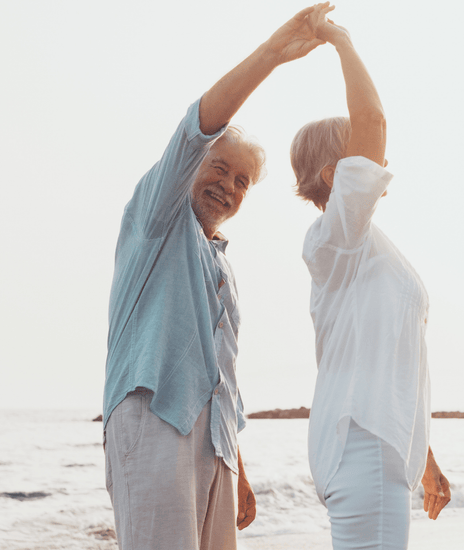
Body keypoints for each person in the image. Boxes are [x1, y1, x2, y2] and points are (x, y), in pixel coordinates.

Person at [102, 6, 327, 549]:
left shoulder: (219, 261)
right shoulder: (157, 217)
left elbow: (220, 379)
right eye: (219, 168)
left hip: (216, 446)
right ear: (193, 166)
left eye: (242, 181)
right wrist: (272, 54)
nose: (229, 185)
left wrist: (238, 468)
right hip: (154, 421)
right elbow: (195, 128)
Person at [291, 5, 451, 548]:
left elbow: (392, 365)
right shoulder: (338, 240)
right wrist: (340, 42)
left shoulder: (368, 250)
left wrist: (424, 459)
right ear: (337, 176)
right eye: (363, 157)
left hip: (379, 449)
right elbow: (375, 123)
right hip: (362, 449)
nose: (381, 165)